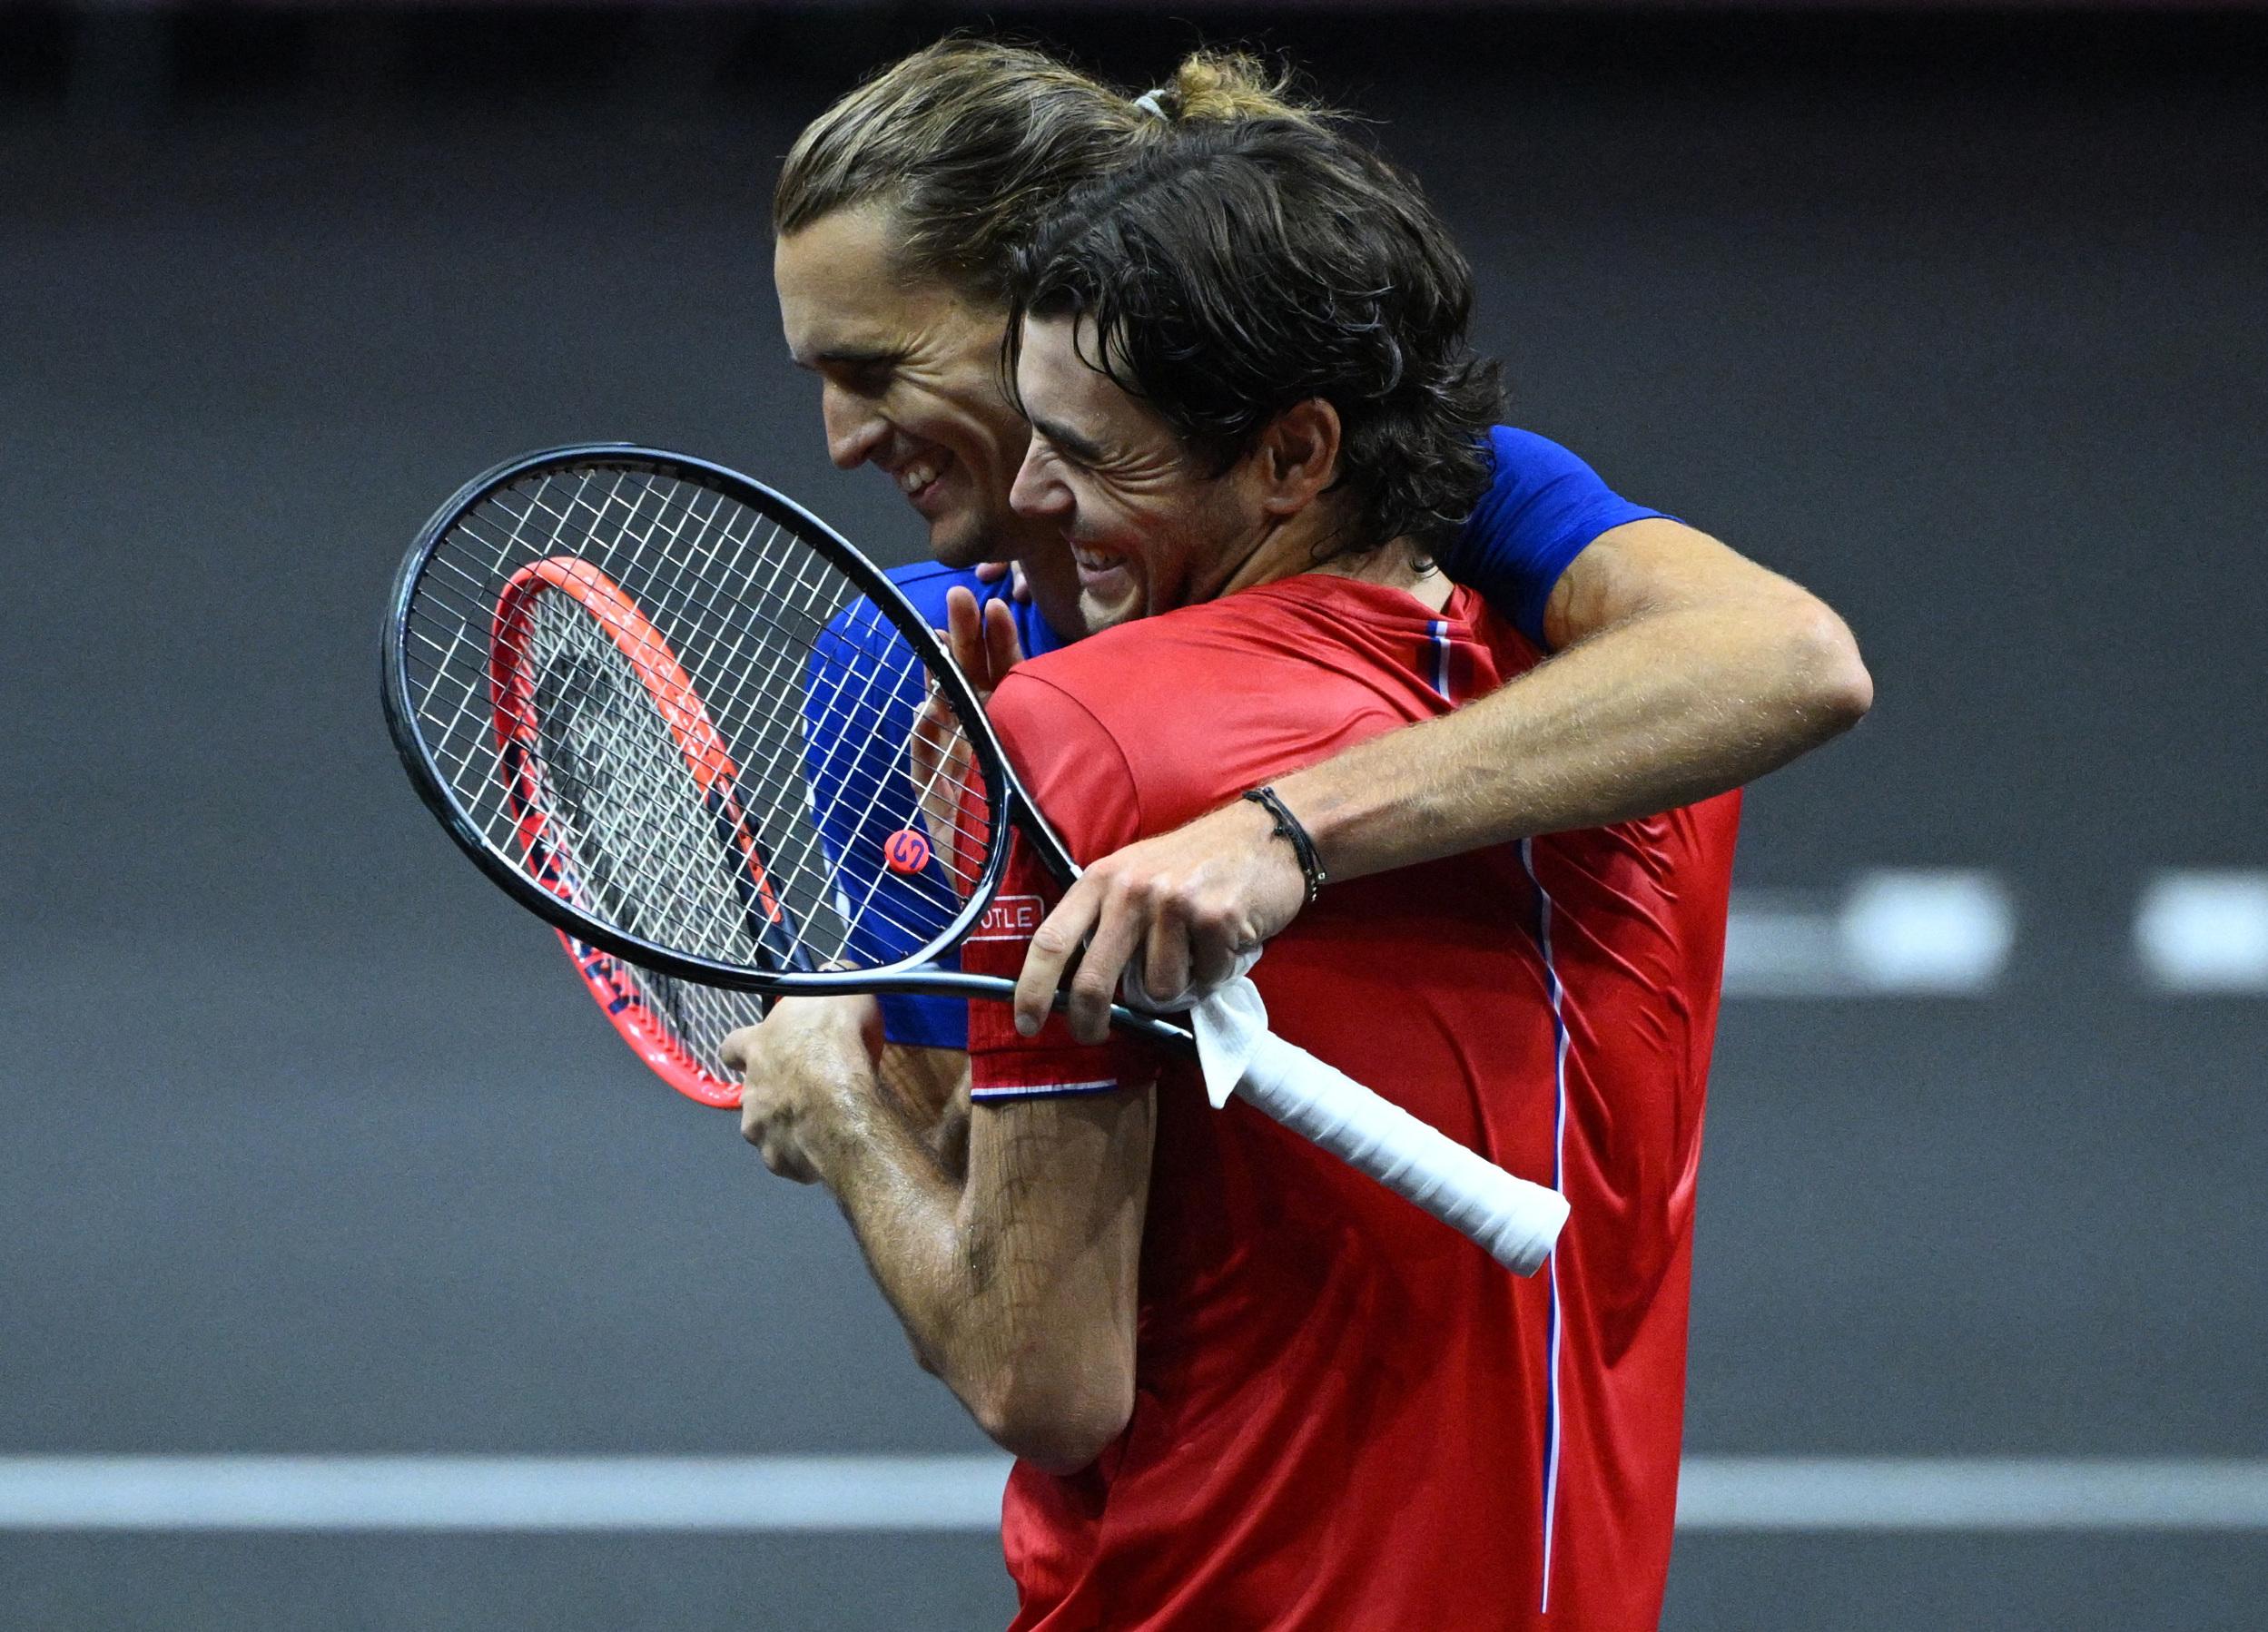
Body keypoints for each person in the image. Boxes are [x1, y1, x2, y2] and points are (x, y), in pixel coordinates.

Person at [725, 106, 1741, 1629]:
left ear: (1288, 451)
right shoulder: (1627, 699)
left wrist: (843, 1110)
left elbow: (1036, 1364)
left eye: (1079, 444)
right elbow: (1791, 660)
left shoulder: (1078, 728)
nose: (1041, 502)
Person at [768, 41, 1870, 1074]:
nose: (841, 439)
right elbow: (990, 1214)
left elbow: (1785, 659)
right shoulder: (898, 666)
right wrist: (862, 1091)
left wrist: (1275, 833)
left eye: (875, 369)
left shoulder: (1420, 493)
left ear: (1055, 296)